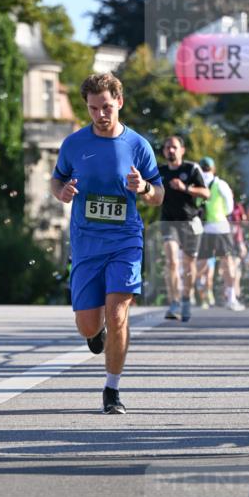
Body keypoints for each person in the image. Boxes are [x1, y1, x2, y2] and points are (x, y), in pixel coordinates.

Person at [51, 72, 163, 415]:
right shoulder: (74, 144)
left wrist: (143, 187)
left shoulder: (138, 145)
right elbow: (56, 182)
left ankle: (111, 389)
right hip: (86, 244)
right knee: (89, 324)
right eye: (94, 108)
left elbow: (158, 196)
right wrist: (63, 192)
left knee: (117, 315)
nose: (101, 114)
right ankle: (95, 333)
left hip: (125, 240)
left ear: (120, 103)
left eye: (107, 107)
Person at [159, 135, 209, 322]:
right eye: (167, 147)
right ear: (164, 151)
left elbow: (206, 193)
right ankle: (174, 302)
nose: (170, 150)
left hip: (189, 222)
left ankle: (187, 298)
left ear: (182, 150)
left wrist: (185, 188)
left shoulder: (191, 168)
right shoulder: (160, 171)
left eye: (174, 147)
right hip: (168, 222)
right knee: (172, 261)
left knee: (189, 265)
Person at [195, 157, 244, 311]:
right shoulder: (221, 184)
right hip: (220, 227)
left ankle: (188, 292)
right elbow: (229, 208)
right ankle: (231, 298)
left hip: (203, 228)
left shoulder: (196, 184)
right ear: (213, 169)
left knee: (201, 263)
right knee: (227, 262)